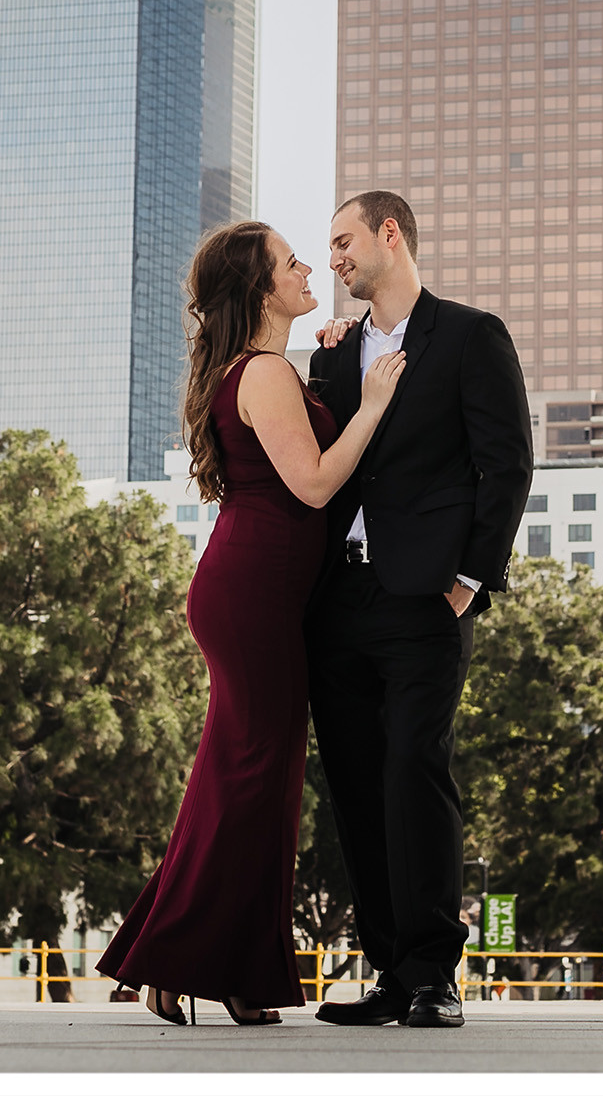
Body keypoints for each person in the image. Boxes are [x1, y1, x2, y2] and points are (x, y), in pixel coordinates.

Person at [99, 220, 406, 1027]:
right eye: (291, 262)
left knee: (245, 780)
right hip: (253, 595)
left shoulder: (270, 368)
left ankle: (208, 965)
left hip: (258, 592)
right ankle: (194, 961)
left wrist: (338, 363)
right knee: (252, 779)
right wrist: (372, 404)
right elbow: (311, 485)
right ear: (260, 288)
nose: (310, 268)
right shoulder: (263, 369)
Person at [305, 190, 531, 1030]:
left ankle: (435, 973)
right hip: (339, 601)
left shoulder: (472, 336)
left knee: (414, 770)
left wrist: (471, 579)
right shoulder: (331, 356)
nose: (331, 257)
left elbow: (506, 466)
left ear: (387, 234)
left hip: (427, 598)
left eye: (341, 241)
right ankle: (392, 973)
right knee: (356, 787)